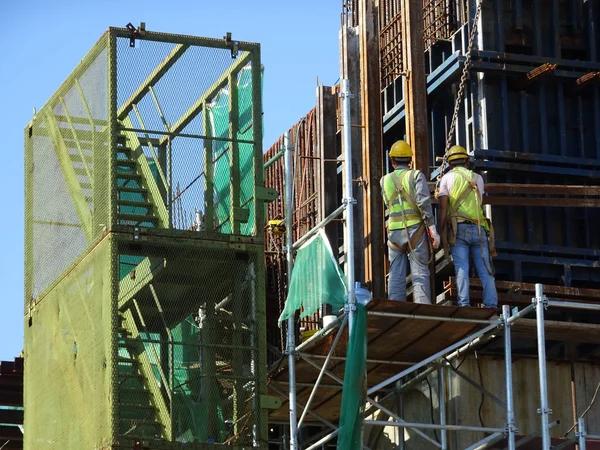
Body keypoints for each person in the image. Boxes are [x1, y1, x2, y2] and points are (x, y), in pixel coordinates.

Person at [437, 145, 498, 308]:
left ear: (450, 164)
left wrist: (439, 231)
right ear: (467, 162)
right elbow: (480, 203)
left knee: (462, 268)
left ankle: (464, 304)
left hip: (459, 230)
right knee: (485, 269)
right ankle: (491, 304)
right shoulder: (477, 178)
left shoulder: (446, 179)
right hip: (479, 229)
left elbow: (443, 208)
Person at [380, 140, 440, 304]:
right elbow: (423, 203)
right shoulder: (416, 175)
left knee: (396, 275)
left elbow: (387, 203)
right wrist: (432, 228)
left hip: (394, 233)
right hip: (415, 230)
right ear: (410, 161)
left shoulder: (384, 180)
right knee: (420, 272)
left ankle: (395, 309)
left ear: (392, 161)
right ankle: (423, 308)